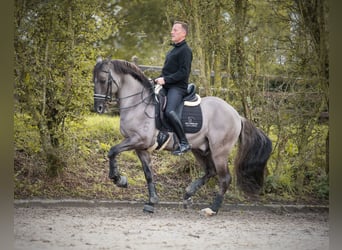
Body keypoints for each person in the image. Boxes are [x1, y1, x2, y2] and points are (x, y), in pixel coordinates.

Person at [155, 21, 192, 155]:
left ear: (183, 33)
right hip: (168, 85)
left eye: (175, 30)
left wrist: (165, 80)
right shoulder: (173, 50)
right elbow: (168, 70)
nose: (172, 32)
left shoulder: (185, 50)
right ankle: (162, 134)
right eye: (172, 30)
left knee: (170, 110)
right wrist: (157, 79)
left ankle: (184, 142)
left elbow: (183, 72)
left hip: (178, 87)